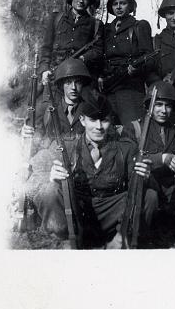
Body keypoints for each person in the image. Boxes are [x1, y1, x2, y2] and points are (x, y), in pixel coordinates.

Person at [23, 90, 156, 248]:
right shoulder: (65, 146)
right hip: (77, 212)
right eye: (93, 120)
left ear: (111, 121)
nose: (99, 127)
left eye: (104, 120)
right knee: (49, 190)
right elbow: (34, 179)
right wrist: (51, 177)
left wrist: (145, 177)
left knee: (149, 195)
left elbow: (142, 187)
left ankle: (123, 238)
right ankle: (64, 238)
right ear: (82, 120)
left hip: (113, 213)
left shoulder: (126, 148)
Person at [122, 81, 175, 217]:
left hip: (170, 187)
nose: (163, 110)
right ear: (148, 105)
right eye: (159, 104)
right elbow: (129, 160)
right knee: (151, 200)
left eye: (168, 106)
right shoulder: (134, 128)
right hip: (145, 185)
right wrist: (161, 158)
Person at [38, 0, 104, 101]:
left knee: (82, 109)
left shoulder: (95, 24)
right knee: (49, 108)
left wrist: (82, 58)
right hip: (55, 74)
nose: (81, 1)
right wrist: (44, 70)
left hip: (80, 76)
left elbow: (98, 50)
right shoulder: (56, 19)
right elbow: (46, 48)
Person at [100, 0, 155, 125]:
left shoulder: (139, 26)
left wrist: (137, 69)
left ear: (130, 6)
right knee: (108, 130)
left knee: (132, 130)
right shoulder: (106, 30)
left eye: (123, 3)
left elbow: (150, 58)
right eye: (115, 4)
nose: (118, 7)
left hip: (130, 89)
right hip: (108, 89)